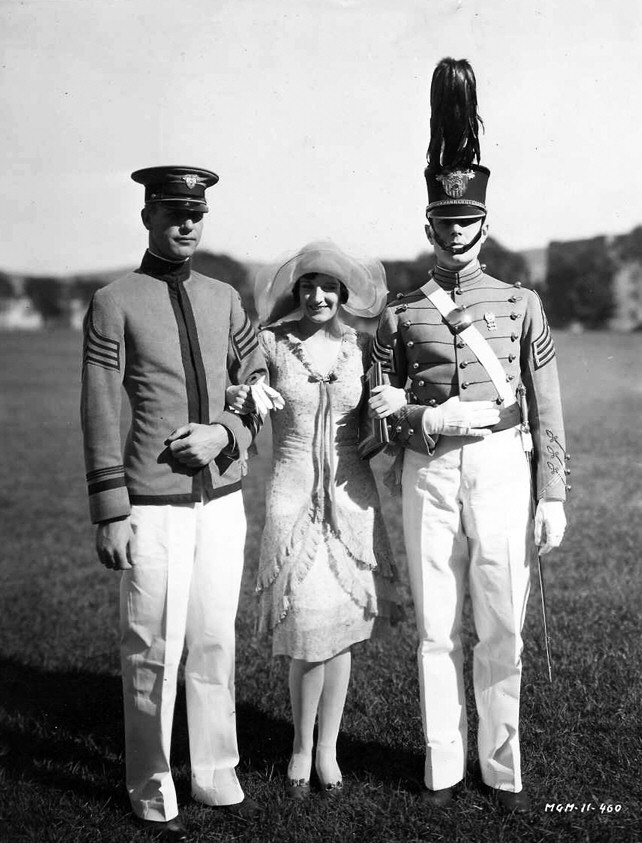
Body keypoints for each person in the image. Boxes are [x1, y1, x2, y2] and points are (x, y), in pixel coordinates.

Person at [373, 58, 570, 813]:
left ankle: (501, 763)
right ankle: (443, 762)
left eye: (467, 222)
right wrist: (425, 418)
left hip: (500, 467)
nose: (456, 234)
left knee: (500, 623)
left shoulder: (521, 304)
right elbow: (376, 412)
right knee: (435, 627)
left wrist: (551, 493)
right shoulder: (398, 312)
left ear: (485, 224)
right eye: (444, 223)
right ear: (428, 225)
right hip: (428, 469)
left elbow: (547, 405)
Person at [80, 166, 274, 842]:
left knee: (215, 635)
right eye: (172, 212)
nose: (186, 223)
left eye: (196, 211)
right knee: (152, 644)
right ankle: (153, 780)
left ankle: (216, 766)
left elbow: (256, 378)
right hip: (150, 503)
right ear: (147, 217)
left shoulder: (225, 296)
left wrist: (228, 431)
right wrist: (110, 508)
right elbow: (101, 404)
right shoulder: (114, 299)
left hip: (222, 496)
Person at [227, 240, 404, 798]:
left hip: (352, 496)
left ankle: (329, 747)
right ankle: (300, 745)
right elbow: (240, 399)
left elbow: (379, 429)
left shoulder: (361, 348)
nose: (318, 296)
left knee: (342, 631)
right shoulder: (273, 346)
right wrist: (244, 396)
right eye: (308, 287)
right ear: (294, 292)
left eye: (328, 288)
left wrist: (389, 414)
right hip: (291, 494)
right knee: (305, 628)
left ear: (344, 295)